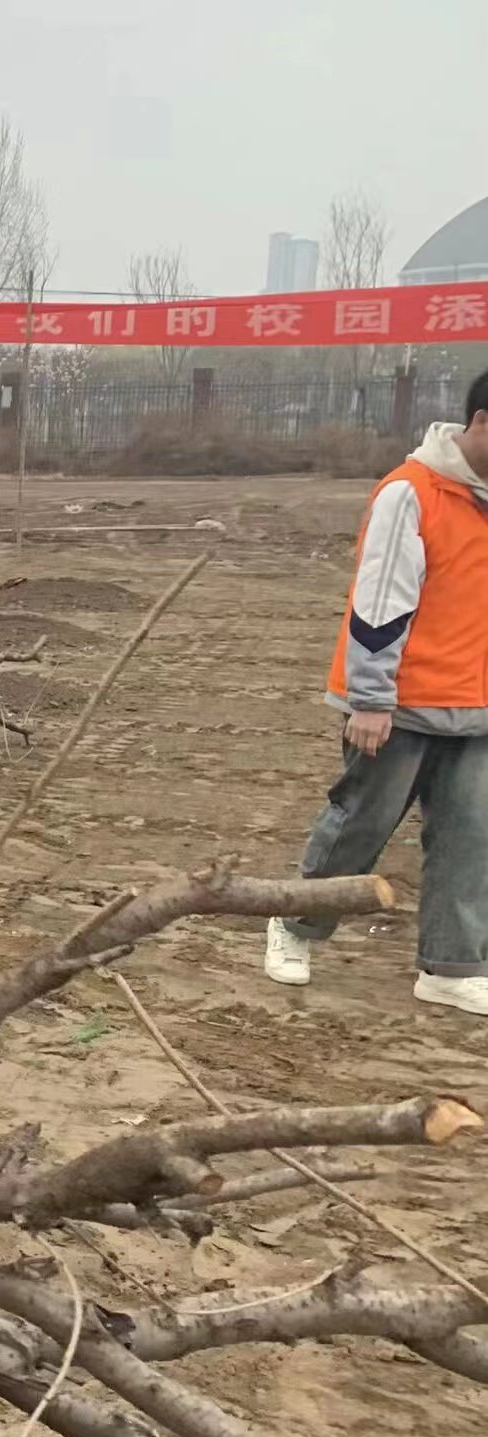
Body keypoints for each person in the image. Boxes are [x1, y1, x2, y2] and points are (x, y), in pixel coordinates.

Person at [268, 368, 488, 1014]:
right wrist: (370, 698)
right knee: (360, 824)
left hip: (476, 703)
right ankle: (294, 924)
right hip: (399, 703)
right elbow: (379, 602)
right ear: (481, 423)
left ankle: (450, 964)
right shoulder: (411, 492)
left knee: (473, 834)